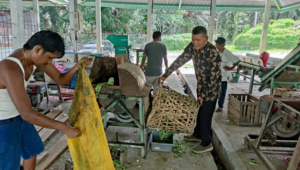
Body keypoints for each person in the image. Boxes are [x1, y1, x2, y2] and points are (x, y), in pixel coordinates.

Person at [0, 30, 93, 170]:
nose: (50, 62)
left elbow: (61, 80)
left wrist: (77, 66)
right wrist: (65, 127)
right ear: (38, 49)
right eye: (50, 58)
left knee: (33, 149)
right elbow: (28, 114)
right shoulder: (9, 68)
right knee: (9, 165)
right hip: (4, 121)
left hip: (19, 115)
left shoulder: (33, 57)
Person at [158, 26, 222, 154]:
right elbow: (180, 60)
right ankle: (197, 134)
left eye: (198, 40)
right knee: (199, 111)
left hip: (211, 90)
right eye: (193, 39)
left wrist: (203, 95)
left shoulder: (213, 53)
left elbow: (213, 78)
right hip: (201, 87)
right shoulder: (192, 48)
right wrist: (166, 74)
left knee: (205, 115)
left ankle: (206, 143)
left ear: (206, 39)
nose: (195, 43)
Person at [214, 37, 240, 112]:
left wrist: (231, 68)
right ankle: (215, 105)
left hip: (224, 75)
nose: (216, 45)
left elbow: (237, 61)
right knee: (216, 90)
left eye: (217, 44)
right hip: (217, 74)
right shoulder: (217, 52)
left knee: (222, 91)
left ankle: (220, 106)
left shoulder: (227, 53)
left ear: (220, 45)